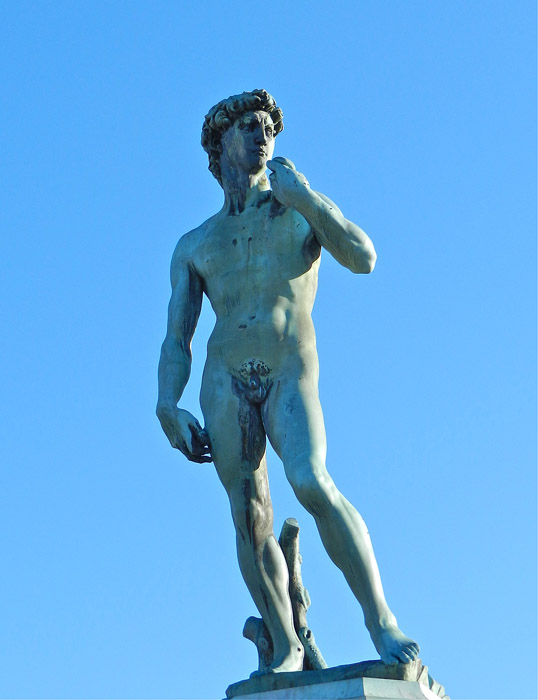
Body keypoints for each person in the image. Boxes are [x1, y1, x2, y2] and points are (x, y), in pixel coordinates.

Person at [156, 89, 419, 673]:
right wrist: (166, 403)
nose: (263, 136)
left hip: (287, 364)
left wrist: (304, 197)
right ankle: (285, 642)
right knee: (249, 515)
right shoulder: (195, 244)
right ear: (221, 141)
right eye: (249, 126)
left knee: (311, 480)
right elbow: (177, 337)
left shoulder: (298, 207)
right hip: (223, 377)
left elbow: (363, 257)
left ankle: (381, 621)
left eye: (269, 128)